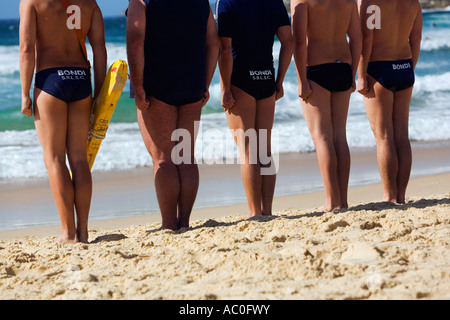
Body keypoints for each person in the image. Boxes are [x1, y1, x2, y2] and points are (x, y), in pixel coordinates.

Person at [126, 0, 219, 230]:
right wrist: (205, 83)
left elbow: (135, 41)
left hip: (157, 85)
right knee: (185, 157)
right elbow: (213, 43)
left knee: (163, 158)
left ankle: (168, 224)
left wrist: (138, 88)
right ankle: (184, 221)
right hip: (192, 84)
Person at [19, 0, 107, 244]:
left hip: (51, 79)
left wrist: (25, 92)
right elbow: (99, 49)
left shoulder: (32, 2)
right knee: (79, 158)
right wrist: (99, 92)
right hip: (81, 80)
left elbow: (26, 49)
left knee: (55, 158)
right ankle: (84, 231)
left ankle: (68, 233)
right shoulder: (90, 4)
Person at [216, 0, 293, 218]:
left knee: (248, 150)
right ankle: (267, 210)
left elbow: (225, 49)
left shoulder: (227, 3)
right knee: (265, 150)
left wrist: (225, 87)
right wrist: (280, 80)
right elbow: (289, 42)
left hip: (241, 80)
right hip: (266, 77)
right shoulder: (274, 2)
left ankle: (254, 212)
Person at [291, 0, 362, 212]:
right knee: (339, 136)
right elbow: (357, 38)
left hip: (316, 69)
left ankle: (332, 202)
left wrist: (301, 79)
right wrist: (352, 73)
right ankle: (344, 200)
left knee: (322, 137)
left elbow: (299, 42)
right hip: (343, 68)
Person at [357, 0, 422, 204]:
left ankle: (389, 195)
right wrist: (410, 68)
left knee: (384, 136)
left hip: (378, 68)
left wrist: (360, 74)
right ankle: (400, 195)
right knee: (402, 135)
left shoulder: (371, 1)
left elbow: (366, 38)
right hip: (404, 67)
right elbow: (416, 38)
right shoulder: (413, 2)